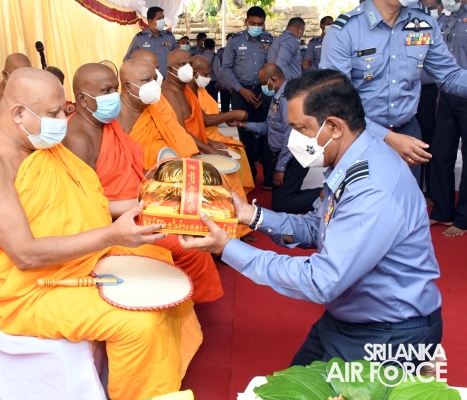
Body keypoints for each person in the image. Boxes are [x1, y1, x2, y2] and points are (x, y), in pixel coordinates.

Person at [0, 67, 201, 400]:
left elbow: (84, 203)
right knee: (139, 324)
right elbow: (25, 254)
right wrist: (111, 236)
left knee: (161, 272)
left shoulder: (35, 143)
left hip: (74, 262)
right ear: (18, 112)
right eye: (53, 114)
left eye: (63, 109)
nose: (63, 120)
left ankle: (148, 382)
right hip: (28, 291)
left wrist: (141, 205)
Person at [178, 70, 443, 369]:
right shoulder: (354, 159)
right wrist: (253, 215)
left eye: (299, 128)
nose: (293, 139)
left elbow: (322, 279)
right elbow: (321, 227)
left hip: (389, 335)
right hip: (350, 319)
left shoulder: (372, 187)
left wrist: (228, 248)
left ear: (333, 126)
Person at [65, 60, 223, 303]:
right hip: (118, 219)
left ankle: (189, 302)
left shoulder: (107, 124)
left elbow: (129, 166)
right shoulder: (78, 138)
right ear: (82, 100)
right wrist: (150, 203)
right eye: (105, 91)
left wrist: (160, 183)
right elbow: (87, 207)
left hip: (138, 201)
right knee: (186, 245)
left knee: (198, 216)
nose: (113, 96)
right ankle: (184, 302)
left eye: (114, 89)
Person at [320, 0, 467, 183]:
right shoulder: (344, 31)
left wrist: (397, 138)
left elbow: (449, 75)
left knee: (406, 205)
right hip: (358, 136)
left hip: (408, 134)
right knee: (364, 206)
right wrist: (388, 138)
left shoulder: (423, 24)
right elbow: (335, 103)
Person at [162, 50, 254, 239]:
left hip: (198, 145)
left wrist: (211, 143)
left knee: (231, 167)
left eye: (189, 63)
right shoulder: (169, 93)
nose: (187, 68)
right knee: (224, 179)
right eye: (182, 65)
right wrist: (210, 150)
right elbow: (181, 132)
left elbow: (199, 120)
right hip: (185, 152)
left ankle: (238, 227)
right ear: (170, 69)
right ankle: (224, 234)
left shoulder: (185, 89)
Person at [241, 63, 321, 212]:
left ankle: (325, 195)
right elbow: (269, 127)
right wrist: (242, 124)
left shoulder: (287, 99)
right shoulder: (278, 96)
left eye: (264, 83)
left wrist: (280, 168)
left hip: (295, 155)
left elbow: (290, 136)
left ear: (272, 79)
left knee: (281, 205)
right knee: (281, 198)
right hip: (285, 154)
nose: (263, 87)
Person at [222, 6, 274, 186]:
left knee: (267, 134)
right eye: (253, 23)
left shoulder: (269, 40)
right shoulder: (234, 41)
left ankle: (268, 178)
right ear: (246, 22)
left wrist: (265, 90)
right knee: (245, 135)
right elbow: (226, 68)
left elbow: (273, 67)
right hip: (241, 93)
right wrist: (240, 90)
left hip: (263, 92)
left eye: (260, 24)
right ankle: (249, 176)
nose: (256, 26)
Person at [190, 55, 255, 195]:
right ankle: (229, 194)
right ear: (194, 73)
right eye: (206, 74)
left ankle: (238, 192)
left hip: (215, 135)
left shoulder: (200, 90)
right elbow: (204, 120)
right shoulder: (188, 93)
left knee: (239, 149)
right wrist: (232, 114)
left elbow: (211, 112)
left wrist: (223, 118)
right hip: (203, 139)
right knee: (231, 154)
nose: (208, 78)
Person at [429, 0, 467, 236]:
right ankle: (443, 210)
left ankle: (463, 217)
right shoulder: (449, 17)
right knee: (440, 153)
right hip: (447, 95)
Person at [129, 49, 199, 161]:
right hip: (148, 169)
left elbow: (176, 132)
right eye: (149, 69)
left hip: (172, 158)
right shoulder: (124, 109)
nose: (156, 75)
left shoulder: (158, 99)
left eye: (156, 69)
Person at [416, 0, 445, 201]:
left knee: (427, 142)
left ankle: (427, 192)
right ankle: (416, 191)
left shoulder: (434, 23)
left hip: (431, 91)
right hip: (410, 92)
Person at [123, 6, 177, 78]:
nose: (163, 21)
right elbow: (127, 61)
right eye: (159, 19)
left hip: (167, 82)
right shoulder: (139, 38)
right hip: (148, 82)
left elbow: (177, 58)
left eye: (163, 18)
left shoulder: (169, 37)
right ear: (151, 21)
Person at [217, 33, 235, 113]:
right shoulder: (221, 52)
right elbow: (218, 69)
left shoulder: (239, 51)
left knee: (237, 106)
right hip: (224, 83)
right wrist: (219, 83)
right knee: (225, 106)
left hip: (236, 83)